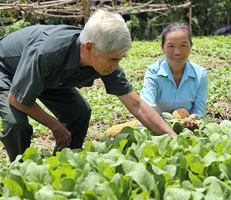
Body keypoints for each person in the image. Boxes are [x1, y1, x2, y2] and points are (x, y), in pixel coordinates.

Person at [0, 9, 177, 162]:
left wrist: (172, 137)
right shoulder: (48, 53)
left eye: (119, 59)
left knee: (79, 112)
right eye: (113, 59)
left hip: (47, 75)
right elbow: (17, 99)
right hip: (7, 69)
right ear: (89, 48)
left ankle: (65, 162)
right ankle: (20, 169)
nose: (116, 66)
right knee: (17, 124)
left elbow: (136, 104)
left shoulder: (103, 58)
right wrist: (55, 126)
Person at [140, 22, 208, 129]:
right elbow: (147, 106)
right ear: (162, 47)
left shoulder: (200, 74)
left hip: (187, 128)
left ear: (191, 46)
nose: (177, 52)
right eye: (171, 46)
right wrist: (164, 127)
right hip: (156, 125)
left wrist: (194, 118)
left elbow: (199, 109)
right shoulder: (153, 72)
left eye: (183, 45)